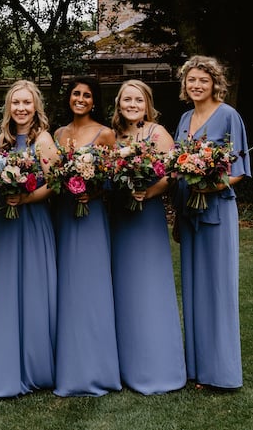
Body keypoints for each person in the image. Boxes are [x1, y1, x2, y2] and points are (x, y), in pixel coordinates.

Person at [174, 56, 252, 390]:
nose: (196, 85)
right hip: (189, 214)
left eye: (203, 80)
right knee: (193, 291)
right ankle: (196, 369)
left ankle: (222, 374)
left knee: (218, 291)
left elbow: (239, 169)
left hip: (217, 212)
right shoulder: (184, 118)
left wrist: (210, 185)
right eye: (191, 80)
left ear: (214, 82)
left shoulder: (229, 115)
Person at [0, 80, 58, 400]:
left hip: (34, 221)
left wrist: (22, 200)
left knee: (34, 289)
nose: (21, 109)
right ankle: (7, 362)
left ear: (35, 107)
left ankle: (37, 367)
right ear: (9, 108)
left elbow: (55, 183)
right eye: (15, 103)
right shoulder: (4, 141)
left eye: (27, 103)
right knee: (8, 290)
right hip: (9, 227)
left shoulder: (43, 139)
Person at [109, 79, 186, 394]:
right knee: (123, 288)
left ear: (147, 103)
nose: (132, 105)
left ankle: (158, 367)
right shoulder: (112, 137)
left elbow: (173, 173)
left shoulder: (158, 133)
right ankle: (126, 366)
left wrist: (149, 191)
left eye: (137, 100)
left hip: (147, 218)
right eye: (127, 99)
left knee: (151, 288)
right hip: (120, 219)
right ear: (119, 103)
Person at [51, 76, 122, 397]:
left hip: (91, 217)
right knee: (66, 287)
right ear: (69, 98)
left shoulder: (105, 134)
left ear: (95, 101)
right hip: (64, 215)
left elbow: (115, 176)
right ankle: (66, 362)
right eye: (76, 94)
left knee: (92, 289)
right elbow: (52, 177)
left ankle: (98, 369)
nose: (80, 99)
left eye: (87, 95)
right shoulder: (58, 134)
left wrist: (92, 192)